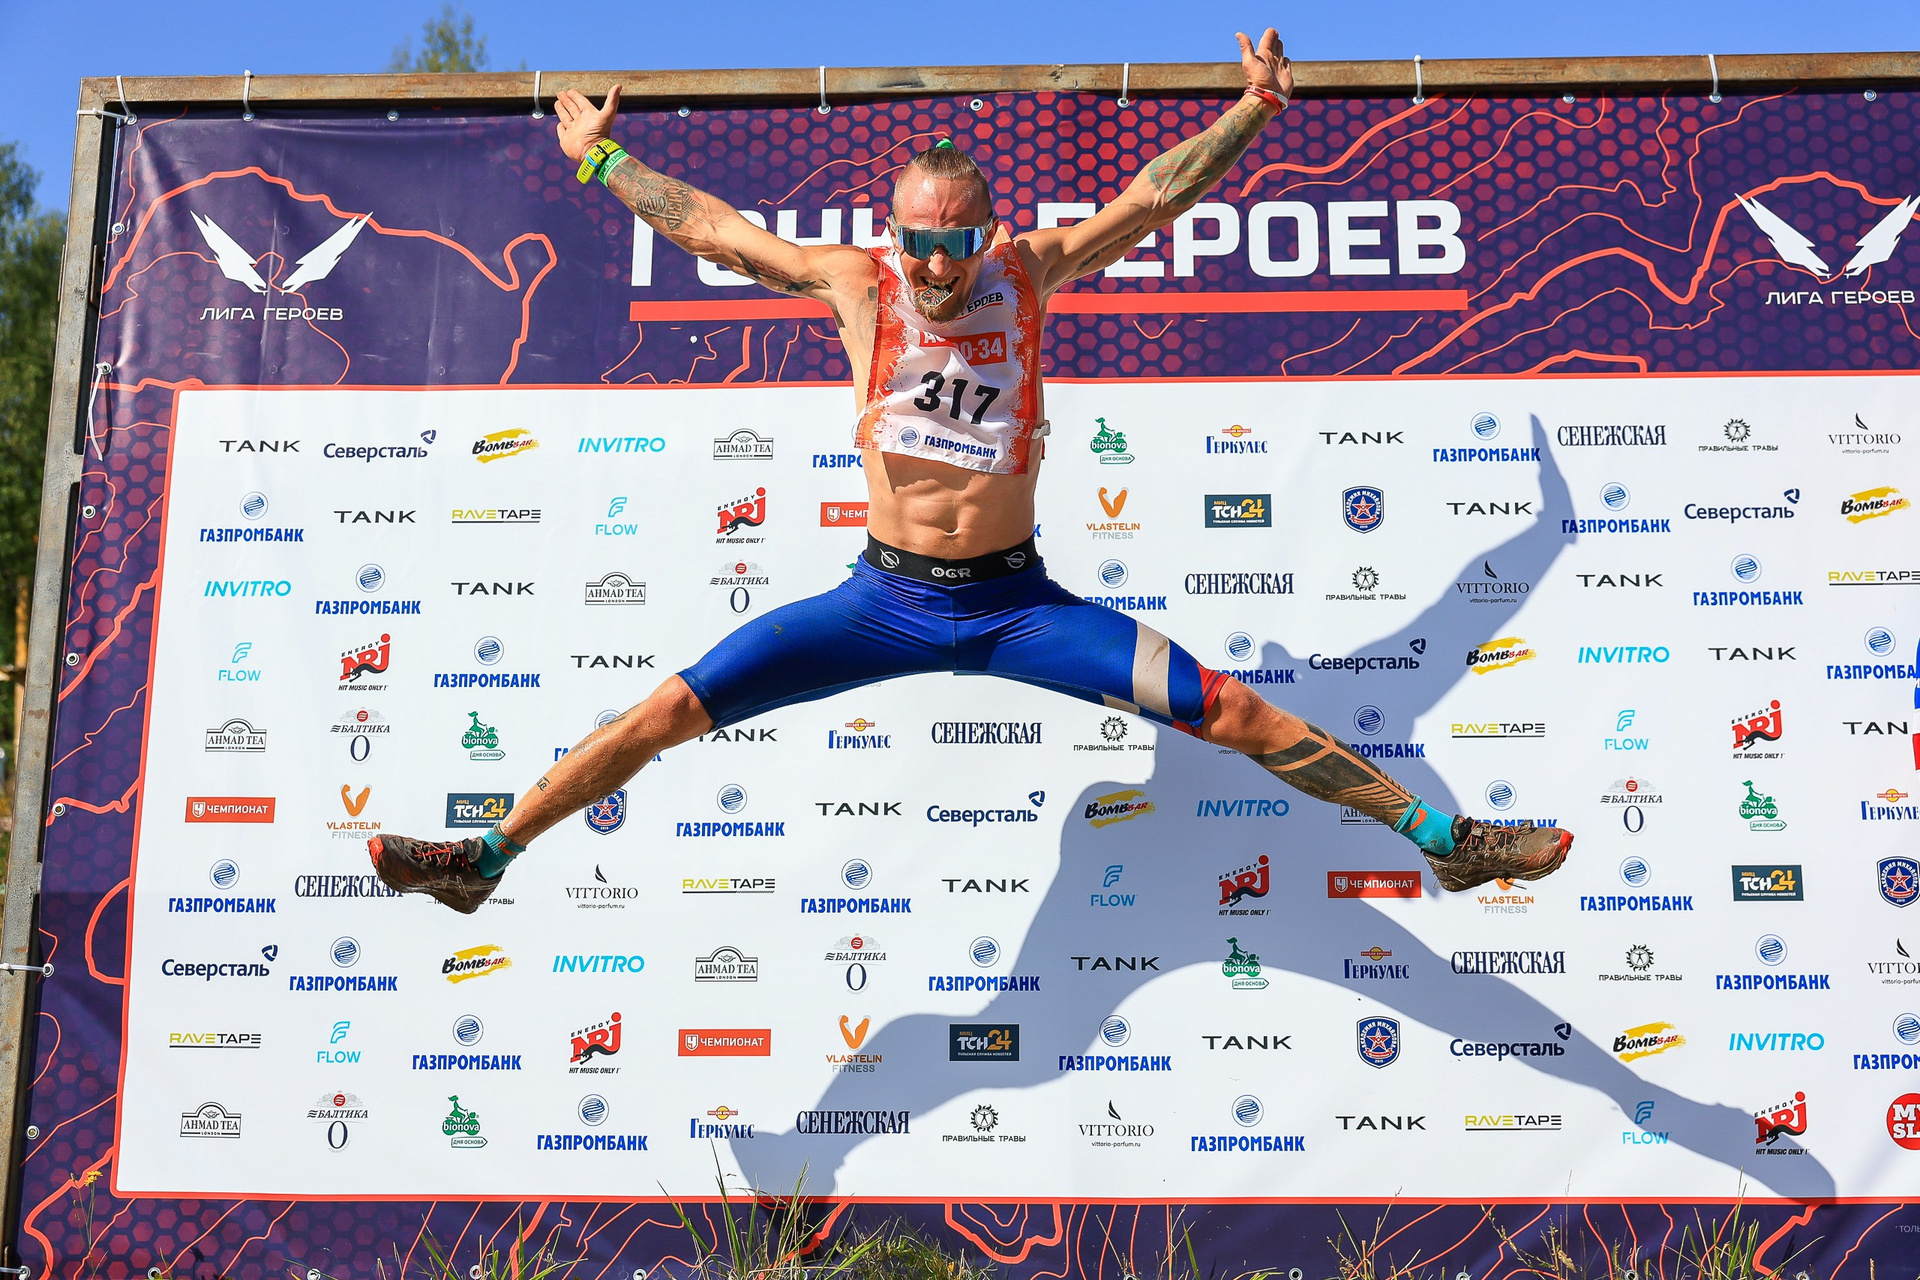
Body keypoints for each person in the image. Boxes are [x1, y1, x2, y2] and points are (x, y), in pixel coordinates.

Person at [369, 29, 1572, 913]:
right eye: (917, 240)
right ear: (890, 231)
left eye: (954, 240)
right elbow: (712, 229)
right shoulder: (859, 285)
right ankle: (485, 859)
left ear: (985, 232)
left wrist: (1253, 109)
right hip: (881, 598)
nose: (936, 265)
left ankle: (1443, 839)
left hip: (1015, 604)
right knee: (667, 709)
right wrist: (601, 163)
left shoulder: (1029, 274)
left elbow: (1154, 199)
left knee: (1235, 710)